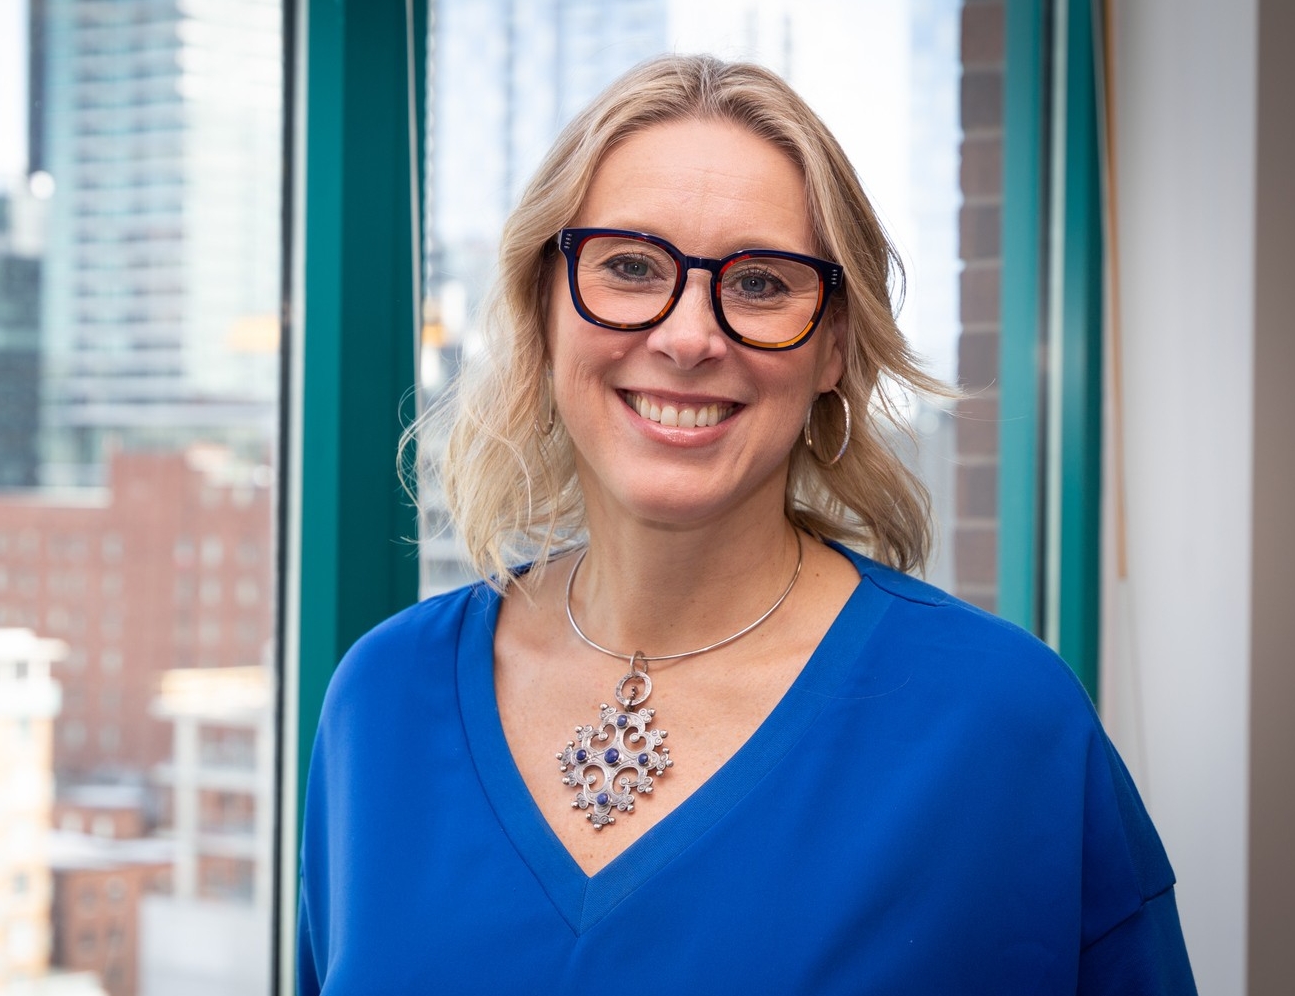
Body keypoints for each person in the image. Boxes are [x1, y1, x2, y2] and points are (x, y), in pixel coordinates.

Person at [297, 54, 1196, 994]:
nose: (688, 337)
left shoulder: (1002, 726)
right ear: (542, 306)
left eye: (761, 283)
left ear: (835, 347)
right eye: (631, 266)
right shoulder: (380, 703)